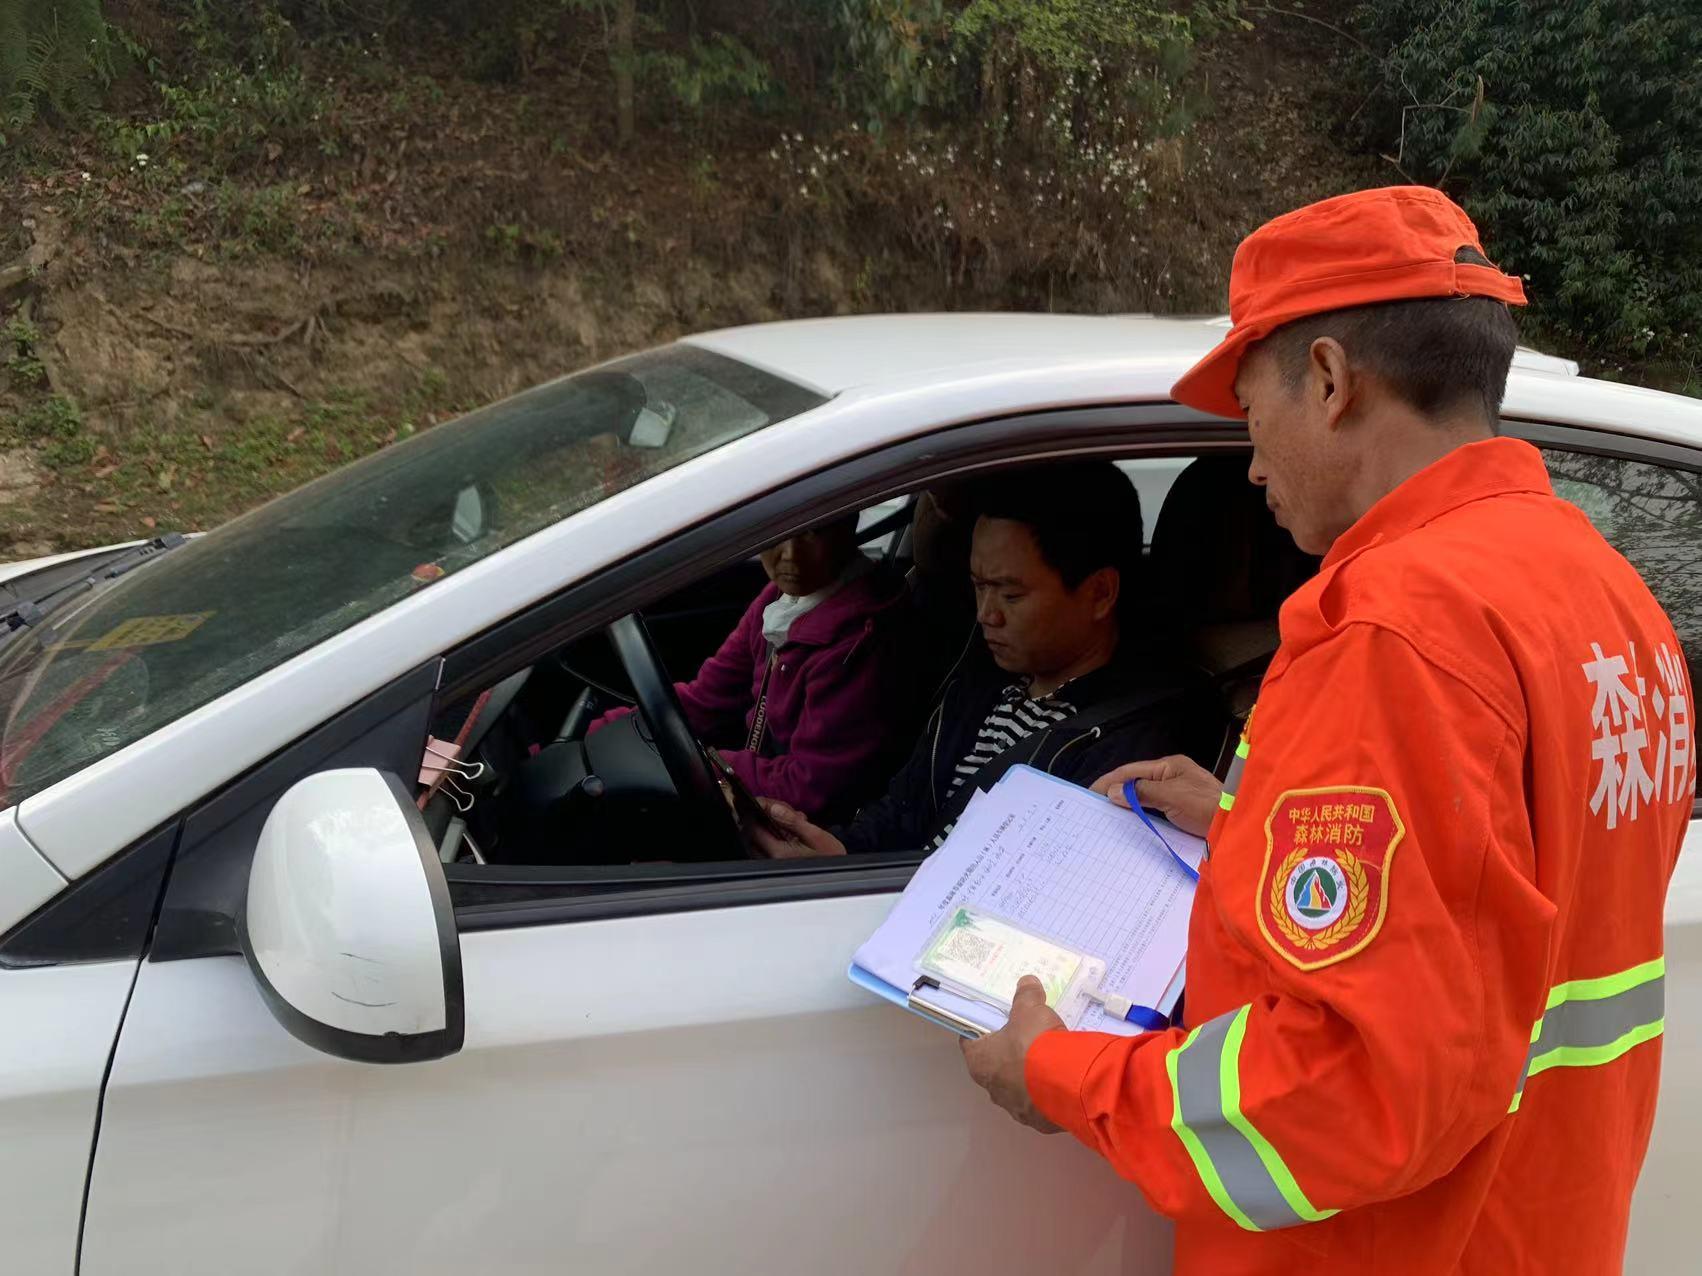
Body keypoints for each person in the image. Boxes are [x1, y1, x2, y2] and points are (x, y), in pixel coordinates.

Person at [960, 186, 1694, 1275]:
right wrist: (1249, 827)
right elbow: (1501, 901)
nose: (1249, 466)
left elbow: (1354, 1086)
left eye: (1251, 420)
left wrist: (1063, 1073)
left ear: (1329, 379)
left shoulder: (1393, 632)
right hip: (1538, 1227)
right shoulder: (1604, 594)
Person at [754, 462, 1215, 858]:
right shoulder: (982, 677)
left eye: (1011, 595)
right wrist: (838, 851)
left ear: (1099, 593)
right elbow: (907, 806)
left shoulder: (1138, 746)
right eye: (979, 586)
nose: (985, 615)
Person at [590, 515, 911, 822]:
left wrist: (702, 763)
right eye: (777, 529)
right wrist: (605, 735)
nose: (789, 554)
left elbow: (812, 788)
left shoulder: (860, 641)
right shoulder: (778, 601)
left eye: (813, 531)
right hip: (758, 787)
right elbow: (705, 700)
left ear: (848, 521)